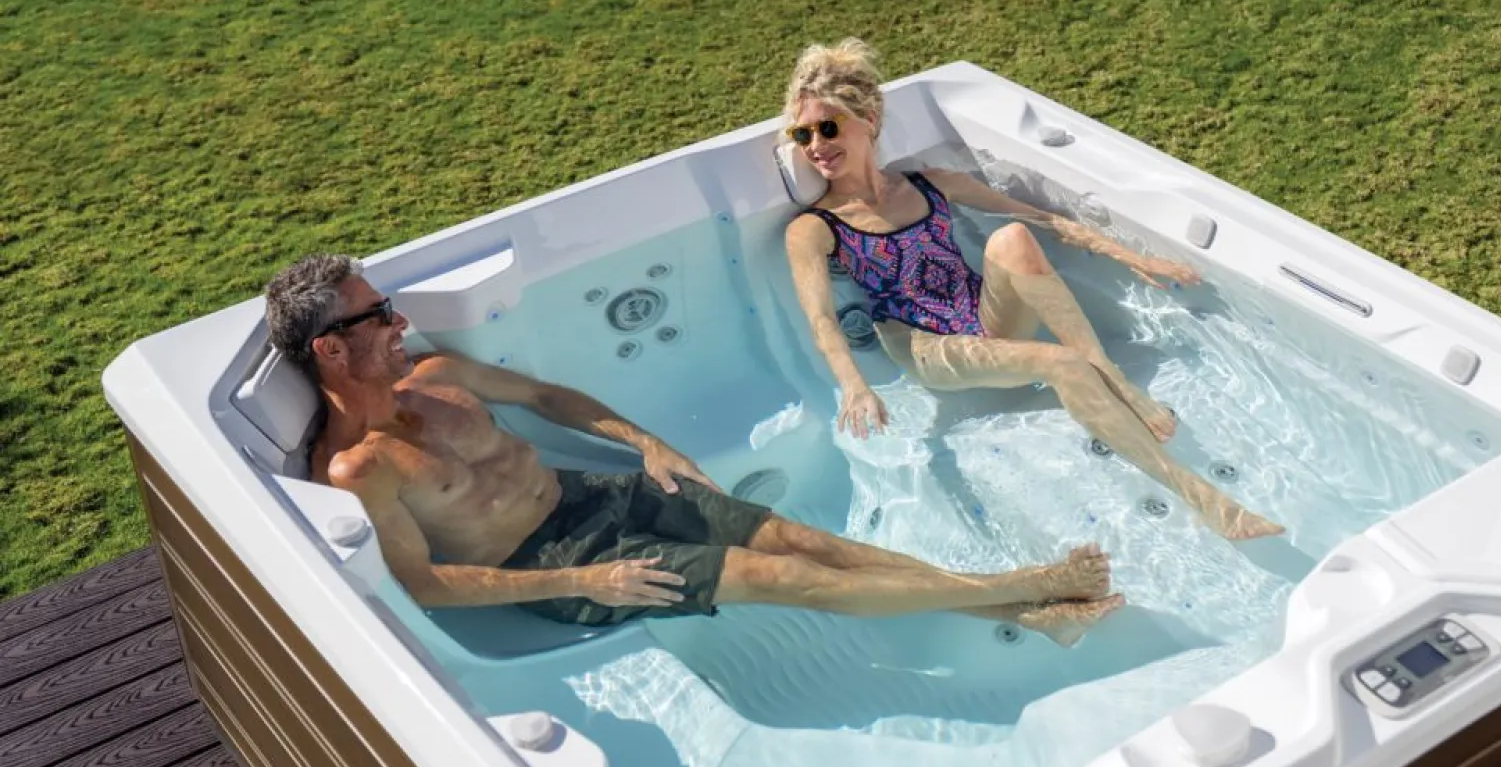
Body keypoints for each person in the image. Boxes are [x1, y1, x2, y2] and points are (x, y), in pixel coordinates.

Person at [262, 254, 1127, 643]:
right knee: (778, 579)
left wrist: (645, 442)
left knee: (801, 539)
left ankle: (1017, 613)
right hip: (556, 561)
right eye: (377, 316)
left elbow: (551, 397)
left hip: (593, 497)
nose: (398, 321)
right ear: (330, 350)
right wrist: (582, 581)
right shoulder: (356, 470)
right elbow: (427, 584)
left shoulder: (439, 375)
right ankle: (1019, 590)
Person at [781, 39, 1283, 541]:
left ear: (868, 118)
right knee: (1060, 361)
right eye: (803, 134)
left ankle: (1112, 378)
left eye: (828, 127)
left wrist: (1133, 258)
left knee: (1014, 238)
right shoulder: (816, 226)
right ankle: (1205, 500)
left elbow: (1037, 217)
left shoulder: (928, 184)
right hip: (926, 346)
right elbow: (821, 318)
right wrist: (854, 384)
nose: (815, 146)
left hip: (983, 316)